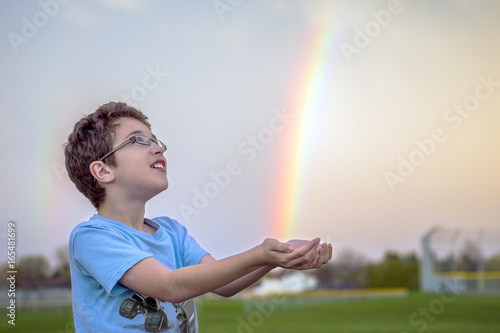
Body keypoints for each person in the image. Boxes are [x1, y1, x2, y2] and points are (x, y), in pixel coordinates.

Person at [64, 102, 333, 332]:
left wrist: (279, 255)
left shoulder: (172, 232)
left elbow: (225, 284)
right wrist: (260, 254)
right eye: (138, 140)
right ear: (102, 171)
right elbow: (169, 286)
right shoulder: (91, 238)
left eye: (155, 140)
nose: (158, 148)